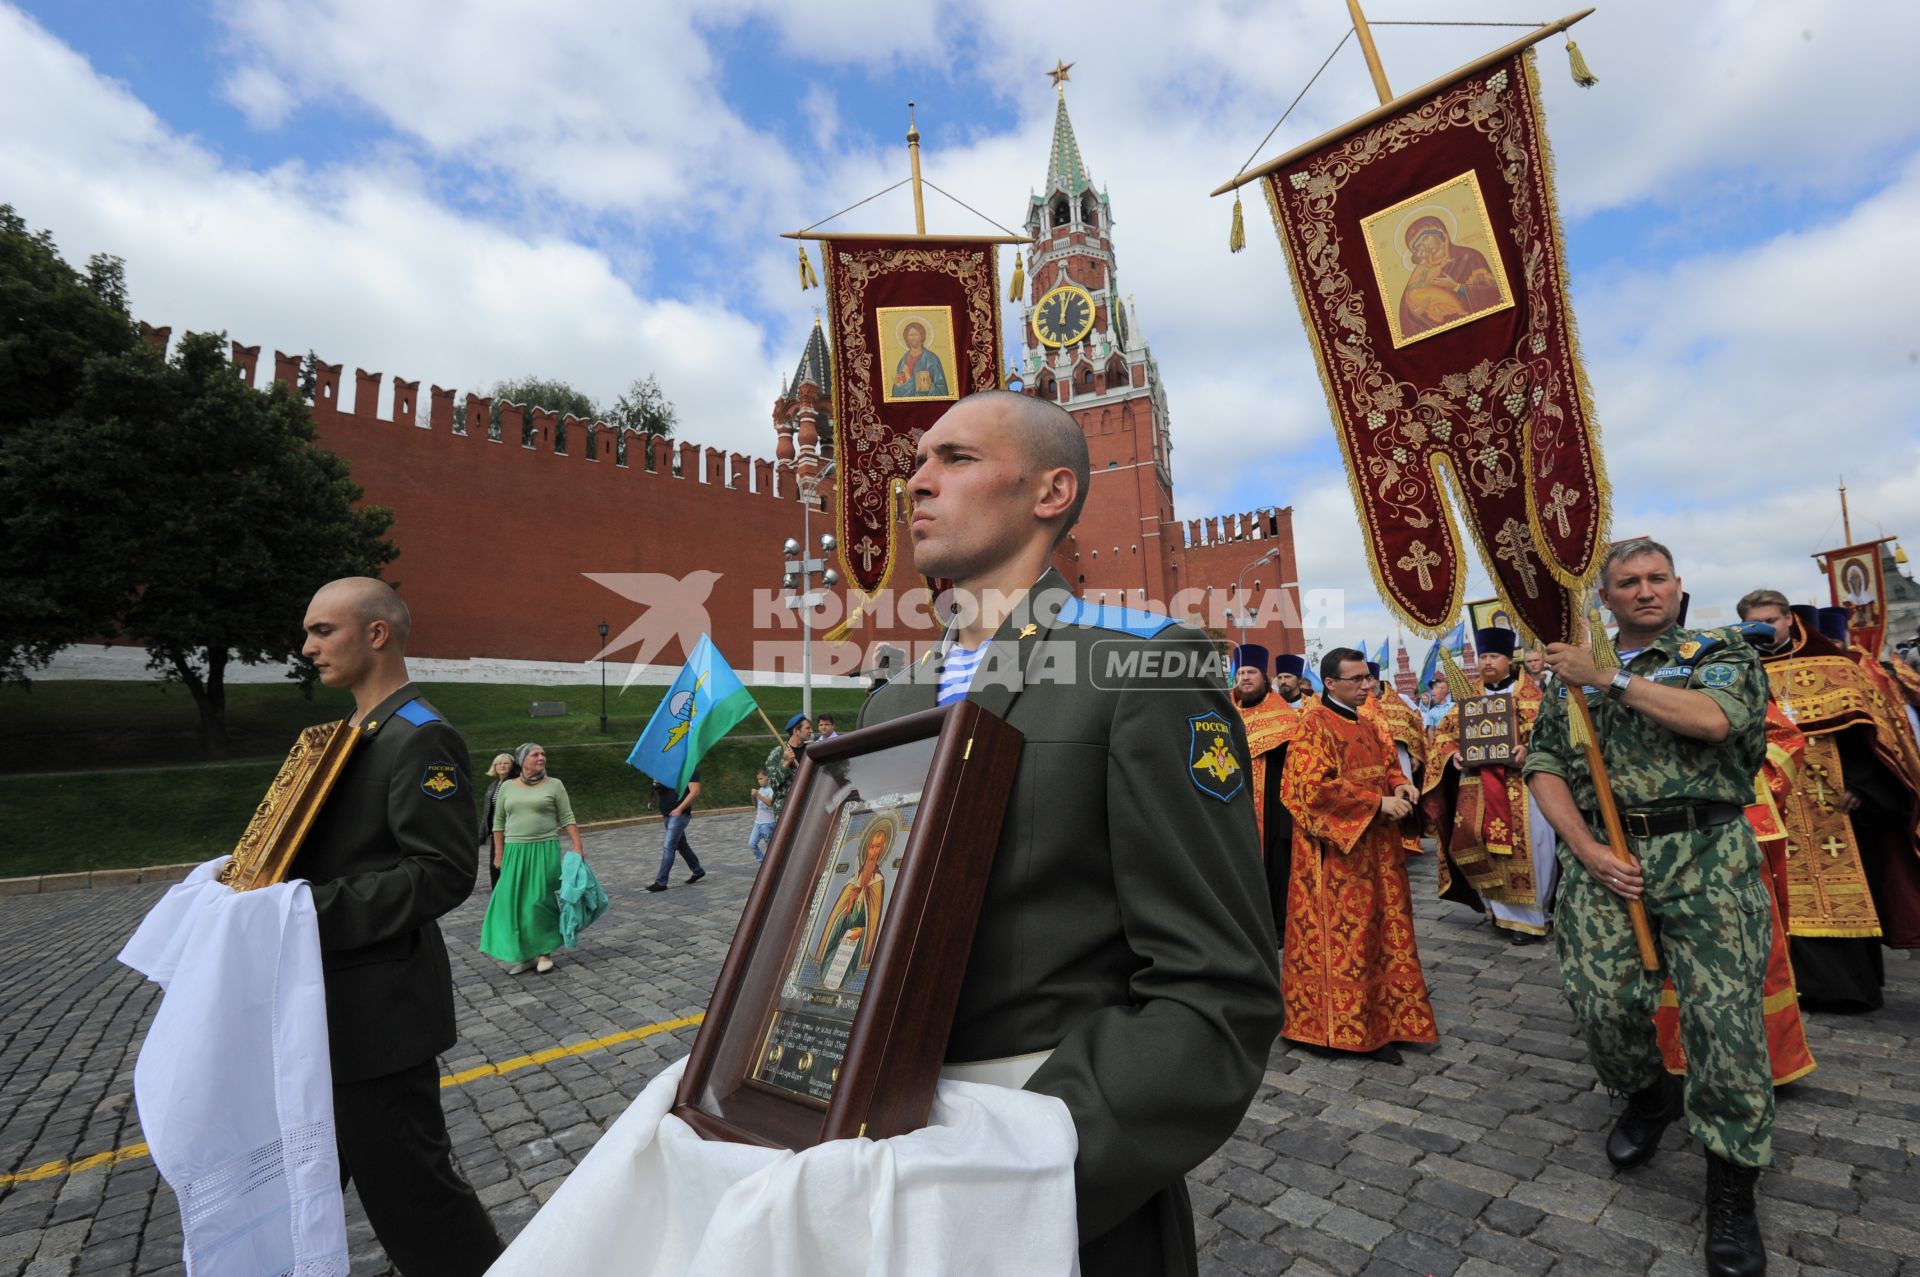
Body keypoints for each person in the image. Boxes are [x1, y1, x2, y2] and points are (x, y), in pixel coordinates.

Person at [860, 389, 1281, 1277]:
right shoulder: (892, 698)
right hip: (870, 1167)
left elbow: (1215, 993)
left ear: (1052, 492)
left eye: (956, 458)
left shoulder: (1141, 671)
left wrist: (1026, 1168)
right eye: (918, 462)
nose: (917, 483)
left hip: (1039, 1169)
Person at [1524, 539, 1773, 1277]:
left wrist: (1607, 678)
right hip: (1609, 861)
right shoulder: (1569, 676)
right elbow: (1543, 765)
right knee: (1601, 1005)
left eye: (1657, 578)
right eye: (1627, 582)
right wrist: (1589, 850)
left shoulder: (1717, 651)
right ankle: (1646, 1091)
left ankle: (1732, 1184)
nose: (1644, 590)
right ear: (1605, 596)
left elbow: (1716, 721)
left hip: (1707, 856)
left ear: (1678, 584)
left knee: (1722, 1025)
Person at [291, 576, 501, 1276]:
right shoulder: (347, 736)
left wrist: (300, 911)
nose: (308, 646)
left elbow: (443, 870)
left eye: (324, 630)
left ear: (376, 632)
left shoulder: (420, 736)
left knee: (417, 1201)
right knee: (309, 1187)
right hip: (327, 1007)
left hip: (380, 1013)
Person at [1736, 588, 1920, 1010]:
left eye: (1769, 621)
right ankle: (1789, 983)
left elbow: (1874, 735)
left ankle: (1845, 987)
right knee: (1778, 891)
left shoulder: (1833, 665)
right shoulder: (1737, 669)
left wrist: (1863, 786)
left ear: (1789, 620)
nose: (1762, 630)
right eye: (1752, 623)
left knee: (1845, 889)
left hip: (1831, 802)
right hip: (1771, 800)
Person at [1280, 648, 1438, 1059]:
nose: (1368, 686)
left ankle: (1389, 1018)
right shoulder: (1314, 724)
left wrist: (1400, 785)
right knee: (1349, 939)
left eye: (1369, 678)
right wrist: (1376, 804)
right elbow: (1307, 790)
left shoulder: (1369, 720)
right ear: (1330, 683)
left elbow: (1388, 765)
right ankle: (1343, 1029)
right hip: (1337, 856)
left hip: (1379, 851)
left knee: (1384, 932)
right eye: (1358, 680)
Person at [1654, 698, 1818, 1086]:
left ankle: (1750, 1062)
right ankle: (1668, 1055)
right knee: (1666, 957)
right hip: (1658, 836)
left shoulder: (1730, 669)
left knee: (1745, 950)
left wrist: (1742, 780)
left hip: (1734, 831)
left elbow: (1785, 739)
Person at [1422, 628, 1556, 942]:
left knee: (1533, 849)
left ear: (1510, 660)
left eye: (1493, 656)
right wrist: (1454, 756)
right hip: (1477, 785)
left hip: (1521, 786)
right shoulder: (1469, 697)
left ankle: (1531, 918)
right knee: (1474, 843)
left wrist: (1527, 751)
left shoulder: (1532, 697)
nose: (1487, 662)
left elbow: (1550, 736)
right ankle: (1497, 911)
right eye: (1483, 656)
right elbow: (1444, 737)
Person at [479, 742, 586, 974]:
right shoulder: (508, 787)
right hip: (514, 850)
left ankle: (545, 952)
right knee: (513, 903)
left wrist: (577, 845)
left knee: (539, 901)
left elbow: (567, 816)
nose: (541, 757)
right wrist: (499, 853)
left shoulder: (554, 785)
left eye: (543, 754)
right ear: (522, 760)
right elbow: (498, 822)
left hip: (544, 848)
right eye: (536, 754)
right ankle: (525, 955)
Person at [1231, 643, 1300, 944]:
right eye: (1241, 672)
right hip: (1231, 802)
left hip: (1271, 806)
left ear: (1265, 677)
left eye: (1251, 673)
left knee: (1274, 865)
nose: (1245, 678)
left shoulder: (1284, 716)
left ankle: (1276, 927)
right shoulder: (1225, 711)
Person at [1398, 216, 1502, 338]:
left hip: (1479, 329)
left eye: (1425, 238)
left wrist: (1457, 287)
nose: (1423, 246)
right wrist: (1417, 311)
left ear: (1440, 233)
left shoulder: (1469, 257)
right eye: (1418, 246)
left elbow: (1493, 295)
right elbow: (1406, 316)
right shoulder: (1421, 272)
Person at [647, 768, 704, 893]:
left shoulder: (689, 769)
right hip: (668, 814)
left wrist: (679, 809)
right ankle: (697, 870)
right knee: (681, 845)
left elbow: (695, 792)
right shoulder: (666, 769)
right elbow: (666, 791)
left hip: (679, 815)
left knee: (669, 846)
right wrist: (656, 785)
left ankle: (661, 882)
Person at [477, 752, 517, 891]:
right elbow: (487, 813)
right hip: (496, 833)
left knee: (510, 868)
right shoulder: (493, 786)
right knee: (495, 868)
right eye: (499, 763)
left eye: (506, 763)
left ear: (513, 766)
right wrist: (480, 837)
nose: (502, 766)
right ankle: (498, 898)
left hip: (512, 833)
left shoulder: (516, 783)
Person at [764, 713, 811, 820]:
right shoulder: (777, 753)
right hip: (785, 809)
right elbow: (773, 783)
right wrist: (785, 763)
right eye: (807, 728)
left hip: (809, 805)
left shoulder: (811, 750)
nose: (811, 731)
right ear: (796, 731)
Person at [890, 318, 949, 398]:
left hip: (926, 403)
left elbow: (942, 390)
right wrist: (898, 386)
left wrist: (929, 386)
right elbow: (896, 393)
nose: (913, 338)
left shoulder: (932, 359)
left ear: (922, 337)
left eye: (916, 335)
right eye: (910, 335)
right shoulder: (903, 361)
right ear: (906, 338)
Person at [748, 768, 776, 863]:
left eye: (761, 778)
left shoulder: (771, 790)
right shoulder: (760, 790)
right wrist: (753, 797)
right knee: (751, 844)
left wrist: (758, 795)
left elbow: (770, 803)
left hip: (768, 823)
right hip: (758, 823)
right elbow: (756, 806)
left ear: (767, 777)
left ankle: (773, 863)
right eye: (758, 779)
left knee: (770, 847)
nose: (759, 781)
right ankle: (763, 862)